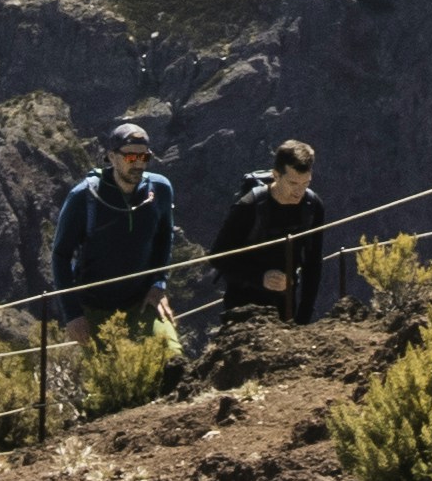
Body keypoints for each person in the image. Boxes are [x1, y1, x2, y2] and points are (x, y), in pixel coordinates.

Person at [46, 119, 183, 334]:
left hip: (143, 302)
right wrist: (73, 315)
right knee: (111, 368)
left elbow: (164, 236)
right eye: (131, 157)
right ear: (111, 157)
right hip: (95, 310)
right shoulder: (84, 197)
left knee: (173, 362)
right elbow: (61, 255)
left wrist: (159, 284)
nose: (138, 164)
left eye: (144, 156)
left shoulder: (160, 189)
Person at [211, 137, 332, 318]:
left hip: (286, 301)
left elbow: (313, 262)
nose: (299, 191)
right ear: (276, 175)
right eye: (293, 183)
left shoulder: (312, 206)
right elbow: (218, 256)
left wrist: (305, 314)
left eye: (306, 183)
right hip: (243, 301)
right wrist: (260, 277)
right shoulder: (249, 206)